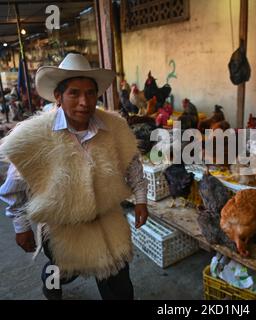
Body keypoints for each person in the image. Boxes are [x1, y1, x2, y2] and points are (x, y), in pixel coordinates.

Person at [0, 53, 149, 300]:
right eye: (74, 93)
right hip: (62, 227)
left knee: (118, 283)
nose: (84, 101)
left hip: (107, 221)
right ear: (58, 97)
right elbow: (13, 186)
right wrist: (21, 226)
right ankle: (52, 281)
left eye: (90, 93)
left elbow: (132, 163)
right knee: (65, 270)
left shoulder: (114, 127)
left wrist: (141, 198)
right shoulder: (36, 136)